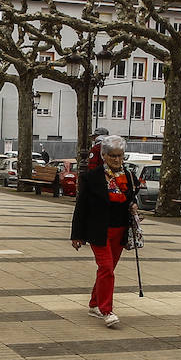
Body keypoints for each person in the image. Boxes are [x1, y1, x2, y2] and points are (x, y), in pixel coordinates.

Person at [70, 135, 138, 329]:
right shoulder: (91, 177)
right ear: (104, 155)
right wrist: (77, 235)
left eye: (120, 156)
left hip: (120, 231)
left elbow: (130, 198)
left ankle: (94, 304)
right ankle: (107, 310)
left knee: (106, 270)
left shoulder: (129, 176)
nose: (117, 160)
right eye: (112, 156)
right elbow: (81, 207)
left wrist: (133, 206)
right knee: (106, 268)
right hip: (98, 231)